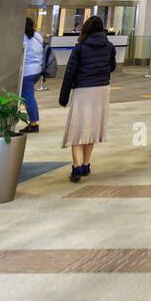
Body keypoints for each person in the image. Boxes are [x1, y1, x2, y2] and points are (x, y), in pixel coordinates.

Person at [59, 15, 115, 182]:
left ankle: (76, 167)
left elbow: (70, 73)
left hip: (83, 90)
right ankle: (86, 164)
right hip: (102, 89)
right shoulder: (109, 46)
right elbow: (112, 67)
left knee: (77, 128)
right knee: (92, 127)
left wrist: (63, 96)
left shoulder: (80, 48)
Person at [20, 19, 44, 134]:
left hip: (27, 72)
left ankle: (34, 124)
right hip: (37, 70)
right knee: (27, 96)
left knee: (28, 97)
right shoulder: (38, 36)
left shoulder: (21, 37)